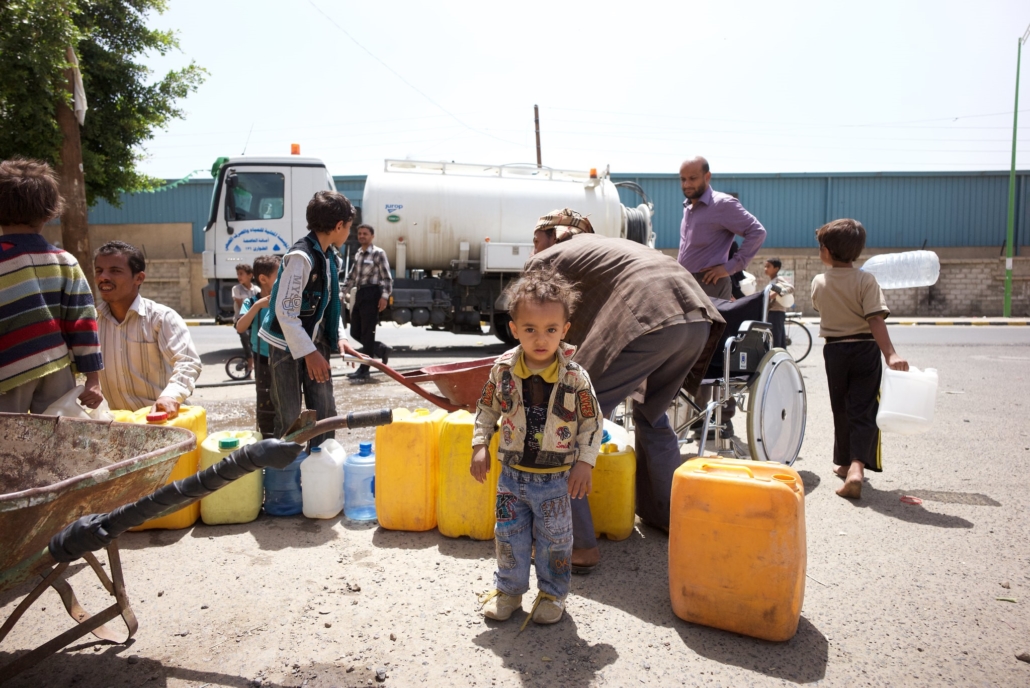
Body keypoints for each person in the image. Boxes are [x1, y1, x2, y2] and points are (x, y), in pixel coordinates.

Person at [526, 209, 725, 572]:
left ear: (555, 234)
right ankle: (667, 515)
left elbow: (536, 329)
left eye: (536, 239)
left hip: (651, 321)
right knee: (652, 413)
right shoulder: (607, 247)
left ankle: (576, 546)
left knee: (565, 422)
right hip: (696, 319)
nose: (533, 249)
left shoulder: (550, 258)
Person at [471, 267, 601, 625]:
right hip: (511, 478)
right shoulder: (502, 371)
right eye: (530, 329)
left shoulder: (575, 378)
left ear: (564, 330)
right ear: (514, 329)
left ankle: (552, 595)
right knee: (508, 536)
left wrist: (585, 463)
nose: (540, 339)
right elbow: (486, 409)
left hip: (556, 480)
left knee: (555, 542)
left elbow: (592, 423)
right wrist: (480, 444)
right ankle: (509, 591)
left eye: (550, 330)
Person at [811, 219, 908, 500]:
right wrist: (890, 354)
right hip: (865, 350)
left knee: (839, 407)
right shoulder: (866, 280)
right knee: (863, 408)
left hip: (835, 351)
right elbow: (875, 318)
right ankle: (855, 468)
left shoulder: (819, 281)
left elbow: (819, 306)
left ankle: (843, 463)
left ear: (826, 252)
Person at [0, 158, 104, 413]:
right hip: (56, 370)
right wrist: (93, 379)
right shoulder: (65, 262)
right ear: (49, 211)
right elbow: (83, 323)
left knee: (8, 445)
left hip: (6, 371)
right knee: (56, 444)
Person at [259, 191, 354, 447]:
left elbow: (329, 304)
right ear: (338, 226)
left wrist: (341, 338)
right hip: (286, 347)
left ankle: (320, 473)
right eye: (348, 227)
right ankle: (285, 479)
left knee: (324, 413)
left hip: (316, 342)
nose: (349, 233)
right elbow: (285, 313)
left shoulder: (330, 257)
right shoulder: (301, 257)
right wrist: (309, 353)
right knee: (290, 417)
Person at [93, 241, 201, 417]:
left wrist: (170, 396)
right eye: (99, 271)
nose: (103, 277)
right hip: (122, 426)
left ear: (139, 278)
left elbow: (188, 362)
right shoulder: (93, 322)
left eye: (115, 271)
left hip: (162, 423)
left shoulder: (161, 318)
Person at [677, 156, 766, 300]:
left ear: (707, 176)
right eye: (683, 179)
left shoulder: (722, 204)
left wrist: (729, 267)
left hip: (709, 283)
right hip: (687, 283)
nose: (687, 184)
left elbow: (757, 232)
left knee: (710, 324)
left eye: (692, 178)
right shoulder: (688, 208)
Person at [235, 255, 280, 438]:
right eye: (279, 274)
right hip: (262, 359)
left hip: (283, 357)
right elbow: (240, 326)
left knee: (283, 398)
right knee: (265, 398)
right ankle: (267, 436)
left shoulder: (284, 300)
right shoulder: (251, 302)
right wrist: (259, 306)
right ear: (263, 279)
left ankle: (283, 435)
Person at [342, 223, 393, 382]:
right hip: (360, 293)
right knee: (355, 332)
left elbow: (387, 278)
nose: (362, 236)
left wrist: (384, 296)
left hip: (373, 294)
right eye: (360, 234)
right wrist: (342, 293)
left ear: (372, 236)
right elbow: (351, 276)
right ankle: (380, 348)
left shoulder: (378, 253)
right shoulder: (358, 254)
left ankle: (364, 370)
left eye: (365, 234)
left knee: (367, 333)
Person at [232, 263, 259, 372]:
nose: (239, 277)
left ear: (250, 275)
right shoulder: (236, 289)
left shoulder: (256, 289)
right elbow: (241, 305)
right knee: (246, 342)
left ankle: (253, 364)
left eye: (241, 274)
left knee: (255, 343)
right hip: (241, 320)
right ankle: (249, 367)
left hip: (254, 321)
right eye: (238, 274)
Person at [764, 257, 795, 349]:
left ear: (776, 268)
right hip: (772, 312)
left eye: (768, 266)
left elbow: (791, 288)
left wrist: (775, 292)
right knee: (778, 339)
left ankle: (776, 358)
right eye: (765, 266)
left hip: (777, 312)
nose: (765, 269)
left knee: (775, 339)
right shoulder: (772, 280)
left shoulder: (778, 279)